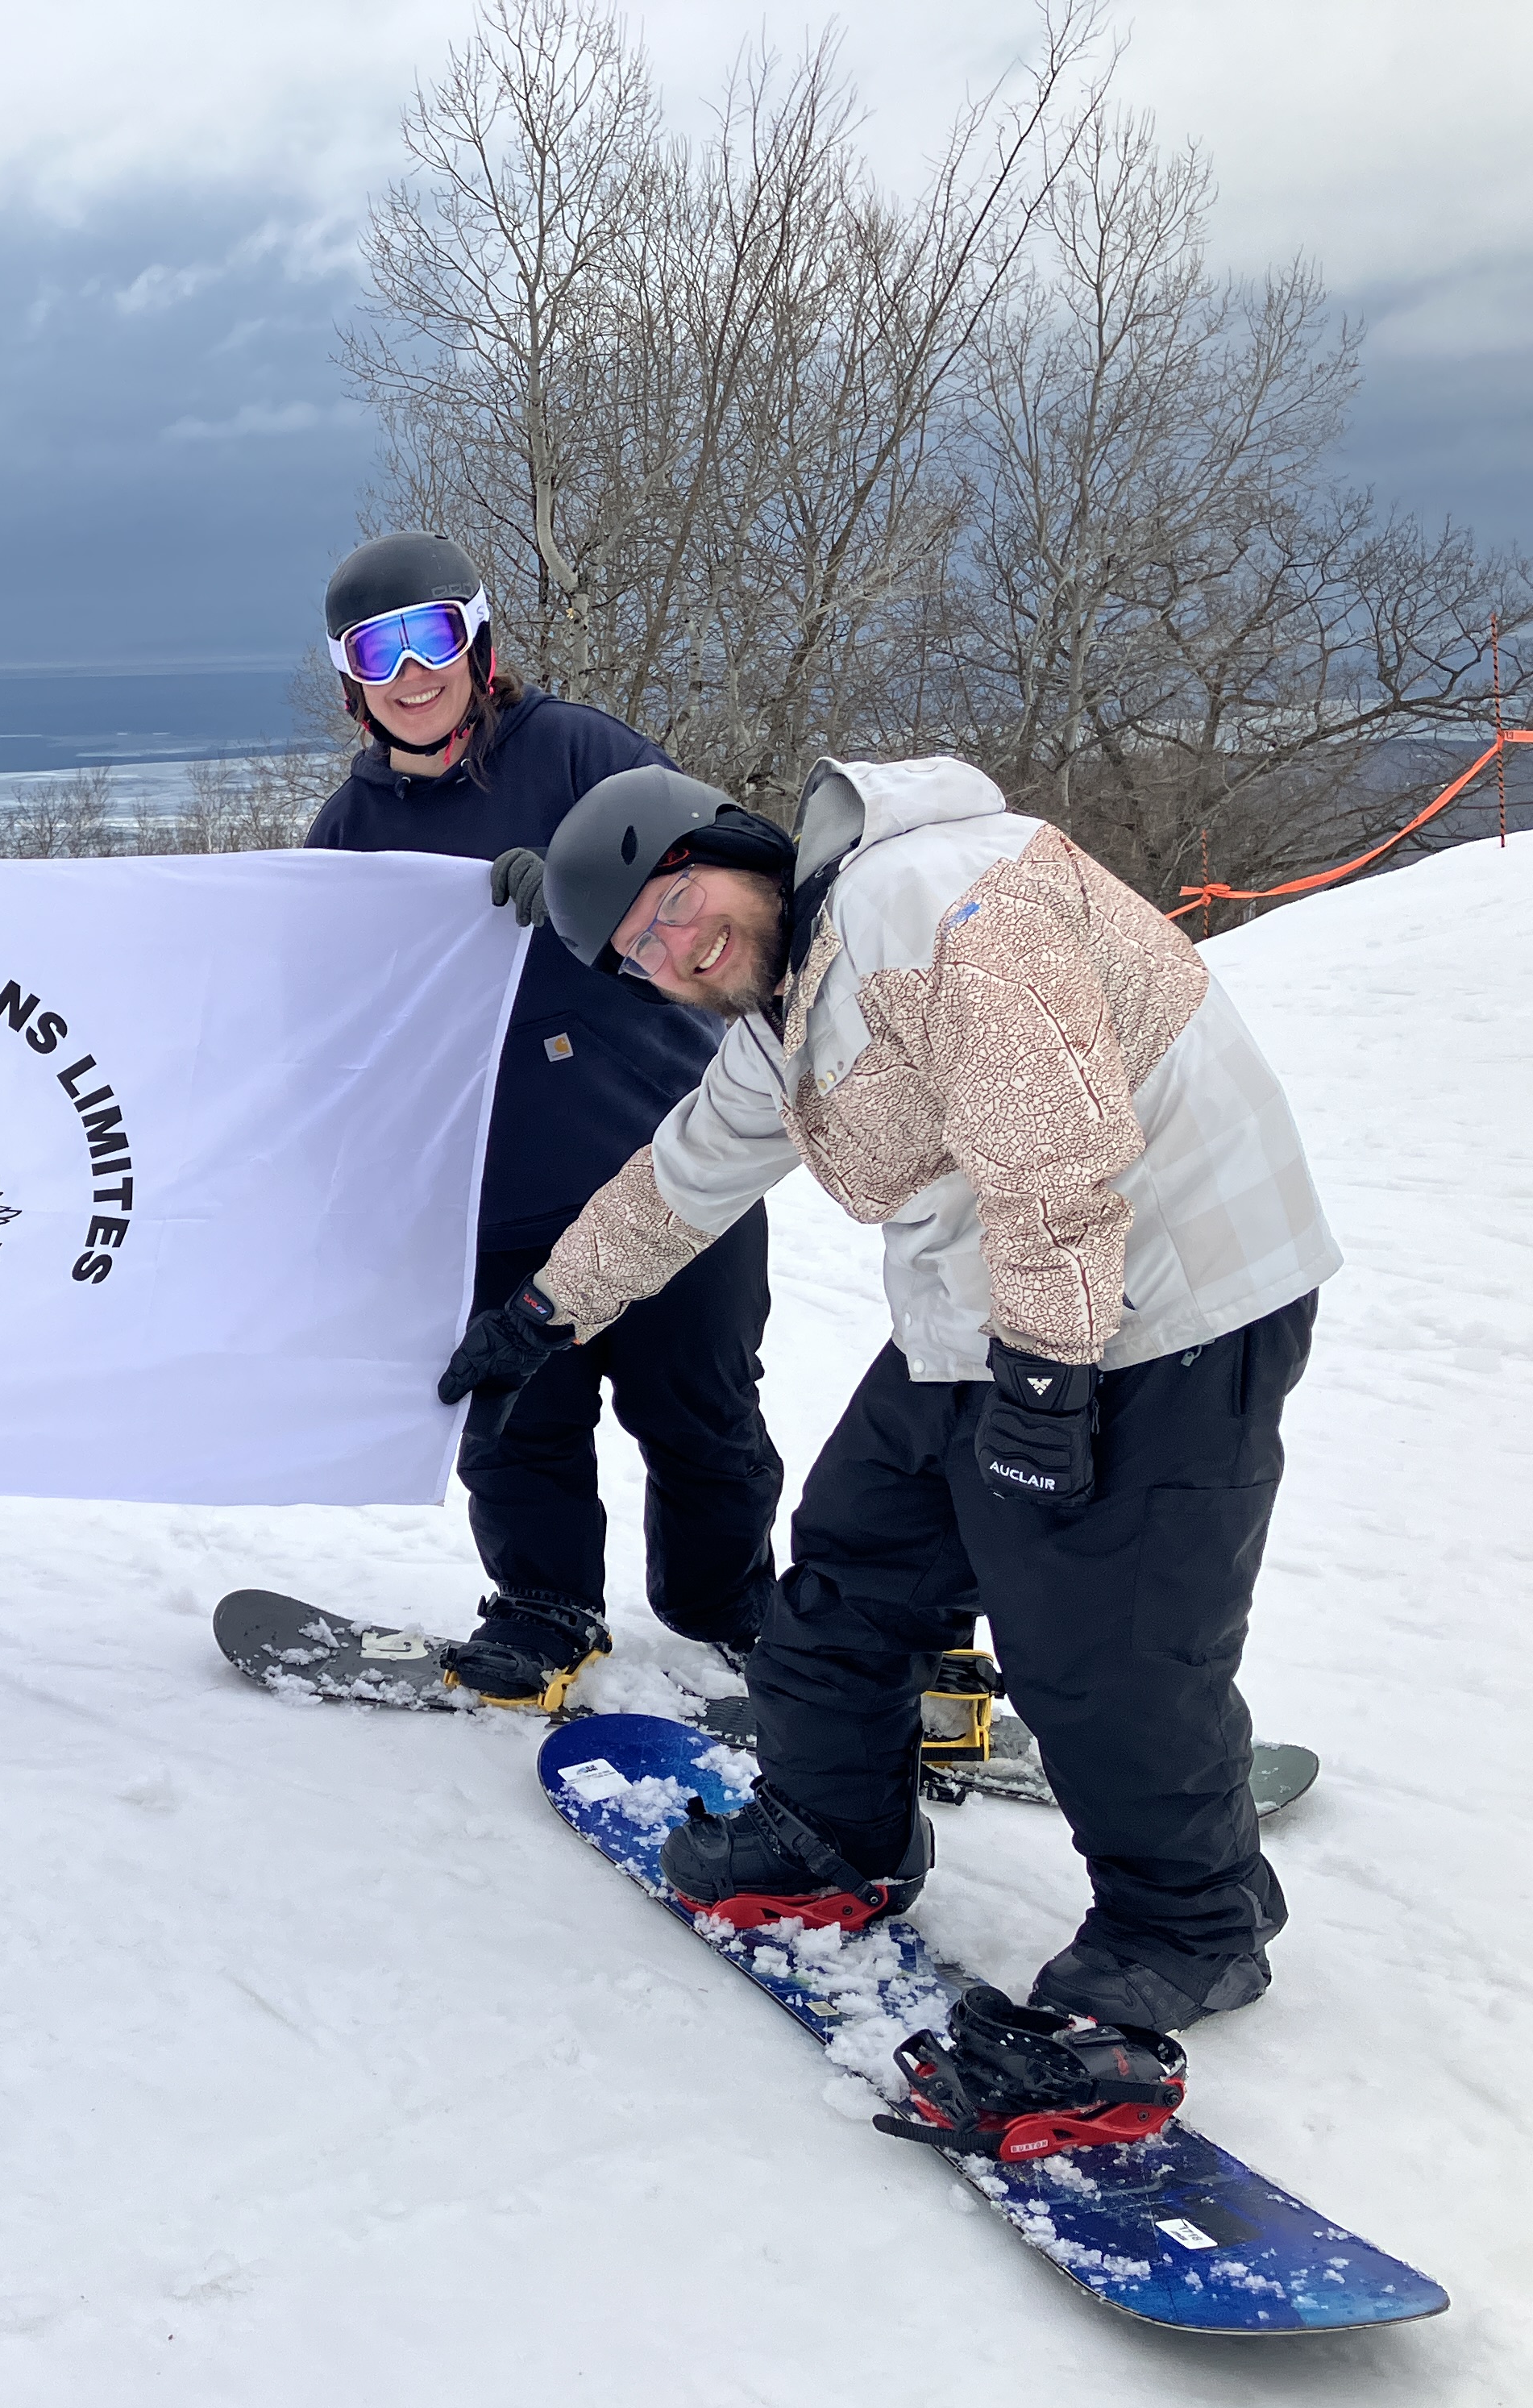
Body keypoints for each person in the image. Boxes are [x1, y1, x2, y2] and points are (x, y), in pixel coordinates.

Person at [439, 755, 1337, 2032]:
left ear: (736, 848)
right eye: (641, 952)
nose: (675, 953)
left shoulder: (930, 900)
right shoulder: (788, 1006)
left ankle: (1191, 1925)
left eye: (676, 906)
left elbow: (1056, 1149)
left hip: (1173, 1294)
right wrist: (541, 1314)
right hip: (1005, 1310)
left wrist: (1043, 1383)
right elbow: (683, 1176)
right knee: (854, 1565)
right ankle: (833, 1830)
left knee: (1102, 1637)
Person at [305, 532, 782, 1705]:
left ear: (476, 642)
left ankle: (731, 1609)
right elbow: (317, 1016)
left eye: (430, 637)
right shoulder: (347, 837)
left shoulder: (579, 753)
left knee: (703, 1415)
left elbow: (720, 885)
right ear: (352, 680)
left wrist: (581, 886)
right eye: (379, 649)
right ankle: (545, 1605)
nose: (412, 672)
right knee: (517, 1423)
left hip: (665, 1161)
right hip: (492, 1191)